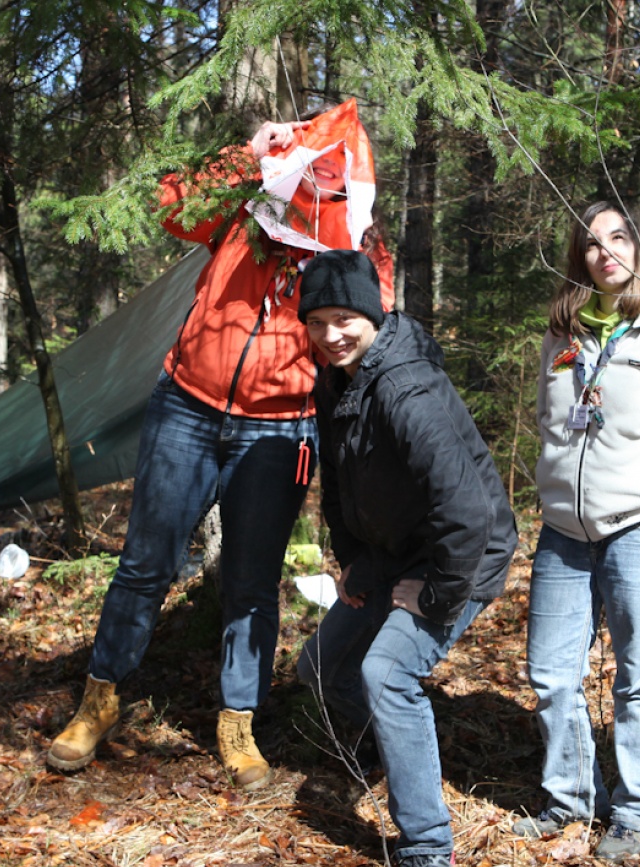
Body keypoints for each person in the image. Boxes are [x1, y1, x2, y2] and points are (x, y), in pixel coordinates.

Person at [48, 101, 394, 787]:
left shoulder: (359, 240)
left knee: (251, 583)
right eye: (307, 166)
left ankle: (239, 721)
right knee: (145, 564)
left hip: (280, 428)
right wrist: (245, 156)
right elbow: (170, 207)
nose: (314, 183)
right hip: (188, 407)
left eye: (331, 174)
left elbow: (369, 325)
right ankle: (98, 700)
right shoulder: (246, 206)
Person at [293, 249, 517, 867]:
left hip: (461, 557)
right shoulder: (337, 378)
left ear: (371, 313)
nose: (331, 334)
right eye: (318, 322)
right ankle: (390, 752)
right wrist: (354, 560)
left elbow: (469, 511)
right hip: (396, 553)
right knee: (323, 668)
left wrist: (441, 595)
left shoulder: (403, 386)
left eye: (344, 319)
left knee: (386, 671)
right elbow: (339, 486)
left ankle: (426, 847)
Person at [513, 202, 640, 859]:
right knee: (550, 672)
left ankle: (636, 812)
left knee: (638, 671)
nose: (605, 252)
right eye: (592, 244)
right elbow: (553, 425)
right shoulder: (561, 336)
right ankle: (570, 799)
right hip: (564, 529)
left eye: (618, 238)